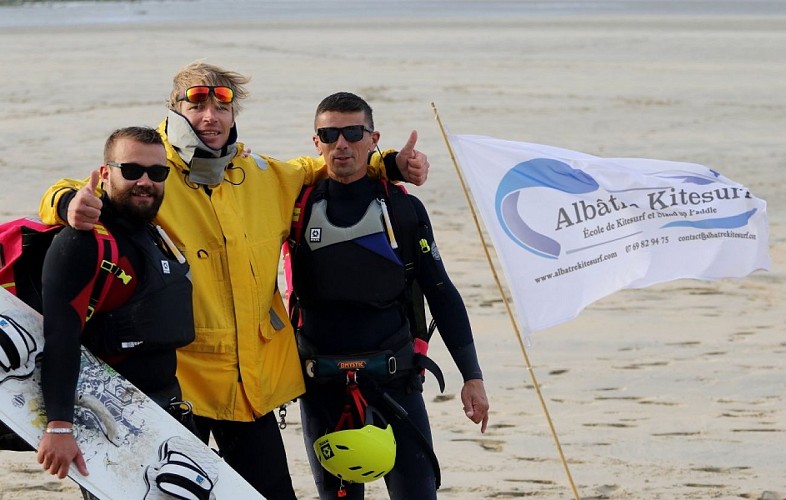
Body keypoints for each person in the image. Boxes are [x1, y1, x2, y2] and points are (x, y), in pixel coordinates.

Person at [38, 61, 429, 499]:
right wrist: (69, 202)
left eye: (221, 106)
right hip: (179, 386)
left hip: (250, 387)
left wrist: (388, 162)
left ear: (233, 113)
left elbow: (322, 165)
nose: (209, 117)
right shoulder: (152, 172)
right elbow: (83, 184)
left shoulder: (263, 175)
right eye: (196, 103)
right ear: (175, 109)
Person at [289, 92, 489, 499]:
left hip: (395, 381)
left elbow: (441, 292)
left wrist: (472, 376)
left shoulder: (402, 208)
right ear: (316, 143)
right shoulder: (295, 205)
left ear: (372, 137)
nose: (341, 143)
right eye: (329, 133)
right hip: (323, 387)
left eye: (352, 132)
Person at [37, 126, 195, 481]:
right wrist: (59, 426)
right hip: (106, 418)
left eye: (157, 173)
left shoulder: (153, 231)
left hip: (166, 410)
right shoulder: (81, 242)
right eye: (132, 170)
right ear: (105, 173)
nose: (145, 181)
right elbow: (61, 335)